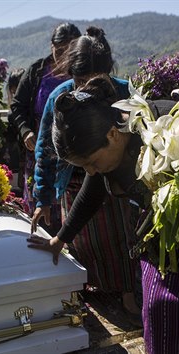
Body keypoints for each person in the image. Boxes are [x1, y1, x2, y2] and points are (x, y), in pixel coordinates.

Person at [28, 75, 179, 353]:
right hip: (172, 240)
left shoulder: (169, 127)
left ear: (112, 134)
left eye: (91, 162)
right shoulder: (107, 148)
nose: (91, 171)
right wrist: (60, 239)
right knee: (162, 316)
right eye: (84, 167)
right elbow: (92, 190)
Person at [30, 27, 142, 319]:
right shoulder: (61, 98)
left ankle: (129, 291)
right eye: (80, 81)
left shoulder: (125, 94)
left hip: (121, 181)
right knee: (88, 241)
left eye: (94, 80)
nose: (85, 88)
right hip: (77, 181)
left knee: (125, 236)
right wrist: (42, 197)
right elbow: (45, 150)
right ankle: (93, 288)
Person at [8, 22, 81, 231]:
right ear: (51, 47)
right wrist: (26, 131)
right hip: (40, 152)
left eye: (70, 51)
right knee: (40, 206)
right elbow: (17, 106)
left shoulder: (82, 73)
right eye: (59, 50)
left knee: (70, 210)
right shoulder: (36, 72)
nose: (64, 57)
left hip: (73, 156)